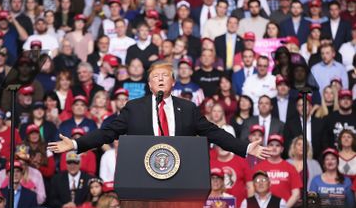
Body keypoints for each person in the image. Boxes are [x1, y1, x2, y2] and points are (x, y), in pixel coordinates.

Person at [49, 61, 272, 160]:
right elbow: (108, 132)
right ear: (149, 84)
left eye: (165, 75)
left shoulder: (187, 108)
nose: (161, 79)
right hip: (143, 175)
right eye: (156, 77)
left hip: (180, 176)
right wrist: (77, 144)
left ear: (173, 82)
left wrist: (245, 147)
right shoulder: (134, 108)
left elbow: (214, 132)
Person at [253, 135, 302, 208]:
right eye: (271, 145)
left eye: (277, 145)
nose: (274, 148)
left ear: (282, 149)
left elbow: (296, 194)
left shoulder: (290, 168)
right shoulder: (258, 167)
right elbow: (252, 190)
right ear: (267, 148)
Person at [285, 95, 325, 160]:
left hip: (317, 160)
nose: (303, 107)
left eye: (305, 105)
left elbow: (324, 145)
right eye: (300, 105)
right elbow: (287, 145)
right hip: (296, 160)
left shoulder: (320, 123)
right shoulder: (290, 124)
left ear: (311, 107)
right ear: (297, 108)